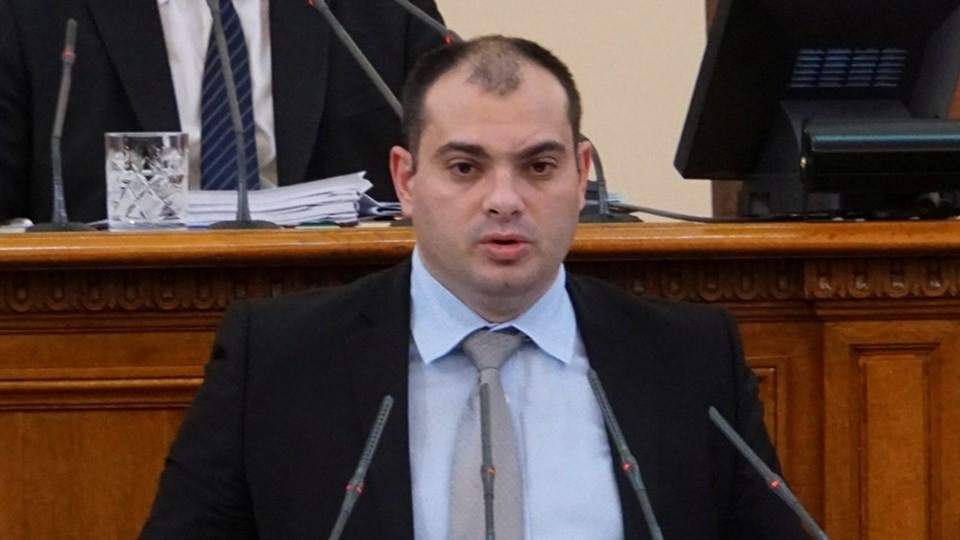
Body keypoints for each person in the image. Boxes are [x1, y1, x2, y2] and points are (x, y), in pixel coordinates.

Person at [140, 35, 807, 538]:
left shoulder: (689, 358)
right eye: (465, 167)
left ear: (582, 175)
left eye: (539, 166)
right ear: (406, 180)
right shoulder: (279, 360)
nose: (504, 200)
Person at [0, 0, 444, 223]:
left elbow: (450, 153)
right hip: (103, 318)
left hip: (336, 309)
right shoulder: (32, 13)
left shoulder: (383, 8)